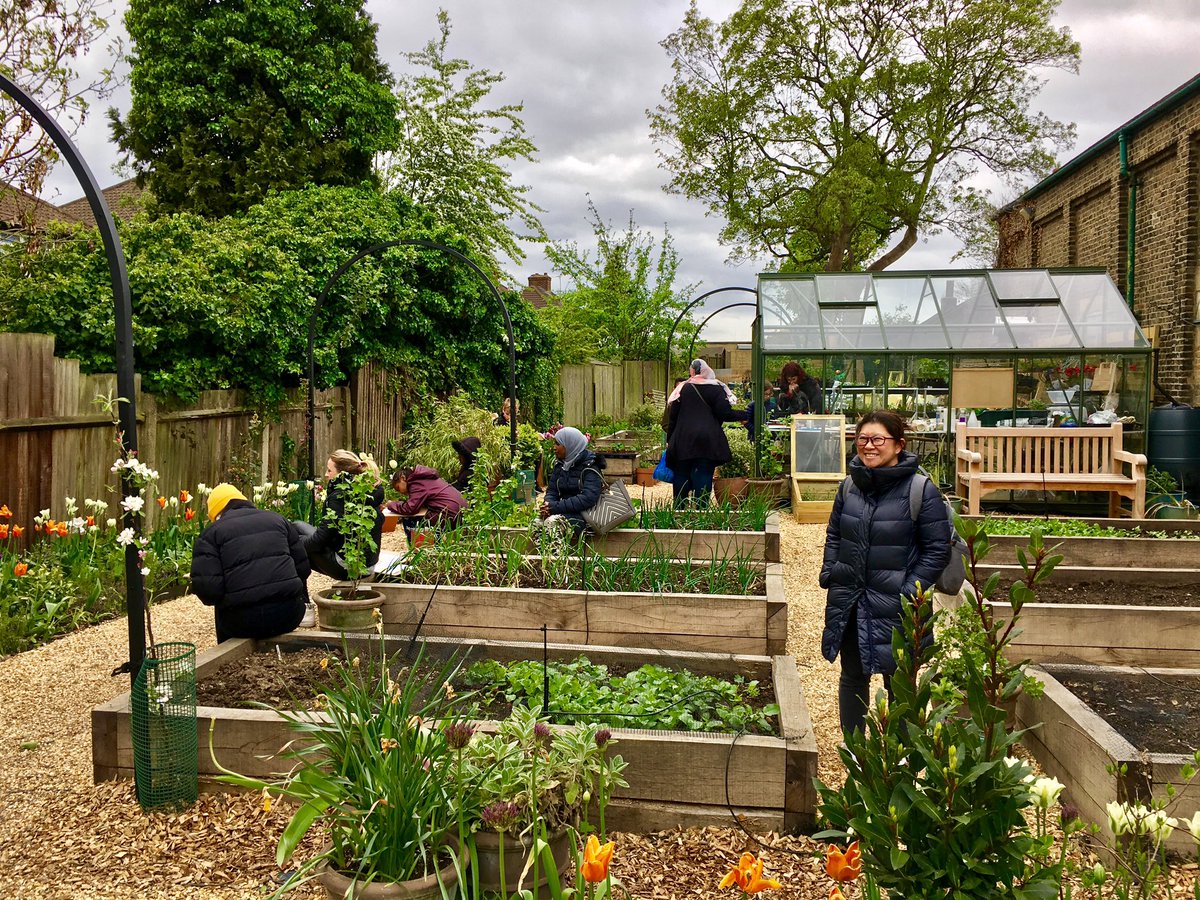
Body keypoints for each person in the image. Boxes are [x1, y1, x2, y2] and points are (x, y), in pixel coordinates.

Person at [819, 410, 951, 735]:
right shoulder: (849, 486)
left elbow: (937, 549)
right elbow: (835, 534)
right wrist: (830, 571)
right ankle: (857, 756)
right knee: (852, 676)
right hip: (850, 600)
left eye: (878, 439)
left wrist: (910, 590)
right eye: (862, 439)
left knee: (900, 683)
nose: (869, 446)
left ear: (898, 445)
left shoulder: (920, 491)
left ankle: (899, 761)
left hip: (899, 607)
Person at [190, 483, 311, 643]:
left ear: (216, 513)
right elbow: (303, 568)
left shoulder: (211, 534)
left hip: (240, 624)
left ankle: (227, 655)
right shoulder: (278, 520)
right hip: (289, 615)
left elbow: (209, 591)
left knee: (222, 606)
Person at [294, 449, 385, 580]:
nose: (326, 474)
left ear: (342, 474)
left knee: (293, 546)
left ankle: (301, 599)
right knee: (296, 526)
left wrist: (294, 543)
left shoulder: (340, 497)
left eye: (329, 470)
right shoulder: (367, 490)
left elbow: (321, 540)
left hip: (349, 567)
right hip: (368, 564)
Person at [665, 359, 745, 506]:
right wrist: (746, 415)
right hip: (707, 440)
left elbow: (673, 418)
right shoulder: (716, 389)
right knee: (704, 472)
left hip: (683, 439)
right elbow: (725, 414)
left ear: (692, 371)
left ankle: (679, 510)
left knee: (681, 473)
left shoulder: (682, 388)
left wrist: (670, 440)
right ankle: (701, 511)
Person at [539, 426, 605, 534]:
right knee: (536, 523)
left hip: (585, 517)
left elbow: (587, 498)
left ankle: (555, 551)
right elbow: (552, 491)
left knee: (552, 524)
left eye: (558, 444)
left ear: (570, 445)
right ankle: (539, 551)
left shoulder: (590, 466)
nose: (554, 447)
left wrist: (555, 507)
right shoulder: (560, 465)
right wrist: (548, 505)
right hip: (563, 513)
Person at [385, 466, 467, 540]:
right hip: (461, 512)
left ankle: (420, 547)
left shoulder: (416, 483)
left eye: (398, 488)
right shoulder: (424, 478)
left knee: (409, 518)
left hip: (449, 514)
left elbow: (410, 508)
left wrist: (390, 504)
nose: (400, 492)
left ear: (403, 478)